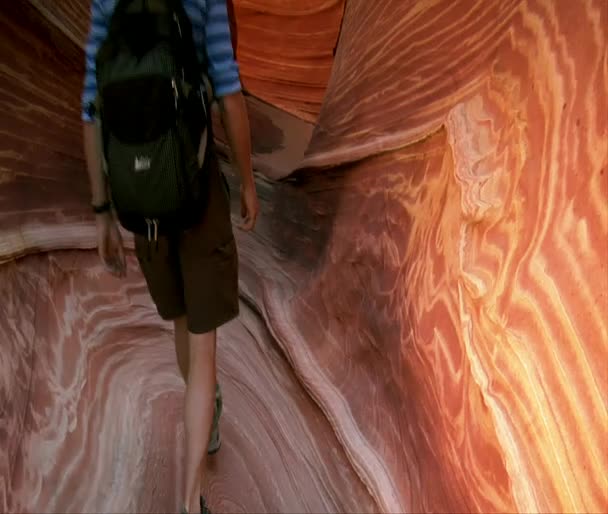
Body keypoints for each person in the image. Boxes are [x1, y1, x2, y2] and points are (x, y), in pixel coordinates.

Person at [80, 1, 258, 513]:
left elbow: (91, 109)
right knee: (204, 354)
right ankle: (188, 500)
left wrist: (101, 211)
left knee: (182, 322)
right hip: (196, 192)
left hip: (142, 199)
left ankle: (207, 414)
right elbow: (227, 88)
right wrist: (247, 181)